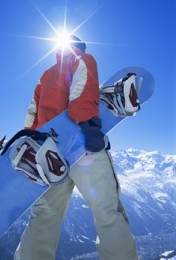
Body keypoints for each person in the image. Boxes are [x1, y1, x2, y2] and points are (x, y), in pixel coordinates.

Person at [14, 35, 138, 260]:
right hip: (84, 148)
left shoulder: (45, 76)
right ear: (79, 47)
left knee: (44, 216)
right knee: (107, 212)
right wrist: (90, 130)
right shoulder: (83, 59)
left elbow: (32, 114)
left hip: (50, 156)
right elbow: (82, 92)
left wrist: (34, 142)